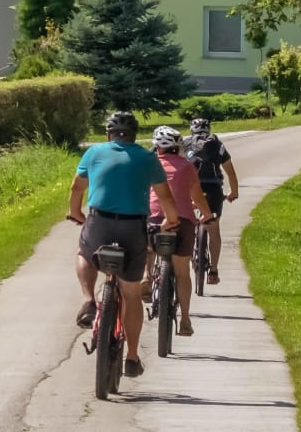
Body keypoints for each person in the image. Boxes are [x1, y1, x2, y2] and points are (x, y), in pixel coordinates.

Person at [69, 111, 181, 379]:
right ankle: (131, 356)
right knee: (131, 295)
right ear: (133, 135)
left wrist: (76, 213)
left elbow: (77, 188)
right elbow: (165, 195)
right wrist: (171, 221)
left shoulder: (94, 153)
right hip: (133, 227)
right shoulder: (147, 157)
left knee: (84, 252)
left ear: (109, 134)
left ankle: (88, 301)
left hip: (100, 222)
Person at [147, 125, 214, 335]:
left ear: (156, 146)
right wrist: (208, 215)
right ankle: (185, 319)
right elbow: (196, 197)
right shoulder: (187, 166)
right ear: (178, 147)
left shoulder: (149, 165)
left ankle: (146, 279)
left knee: (148, 248)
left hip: (155, 217)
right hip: (183, 221)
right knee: (183, 274)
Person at [186, 116, 239, 283]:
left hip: (189, 188)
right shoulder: (216, 144)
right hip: (213, 189)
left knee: (186, 226)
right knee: (214, 230)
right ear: (208, 129)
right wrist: (233, 192)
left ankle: (188, 256)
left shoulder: (185, 143)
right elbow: (230, 171)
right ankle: (214, 272)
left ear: (191, 130)